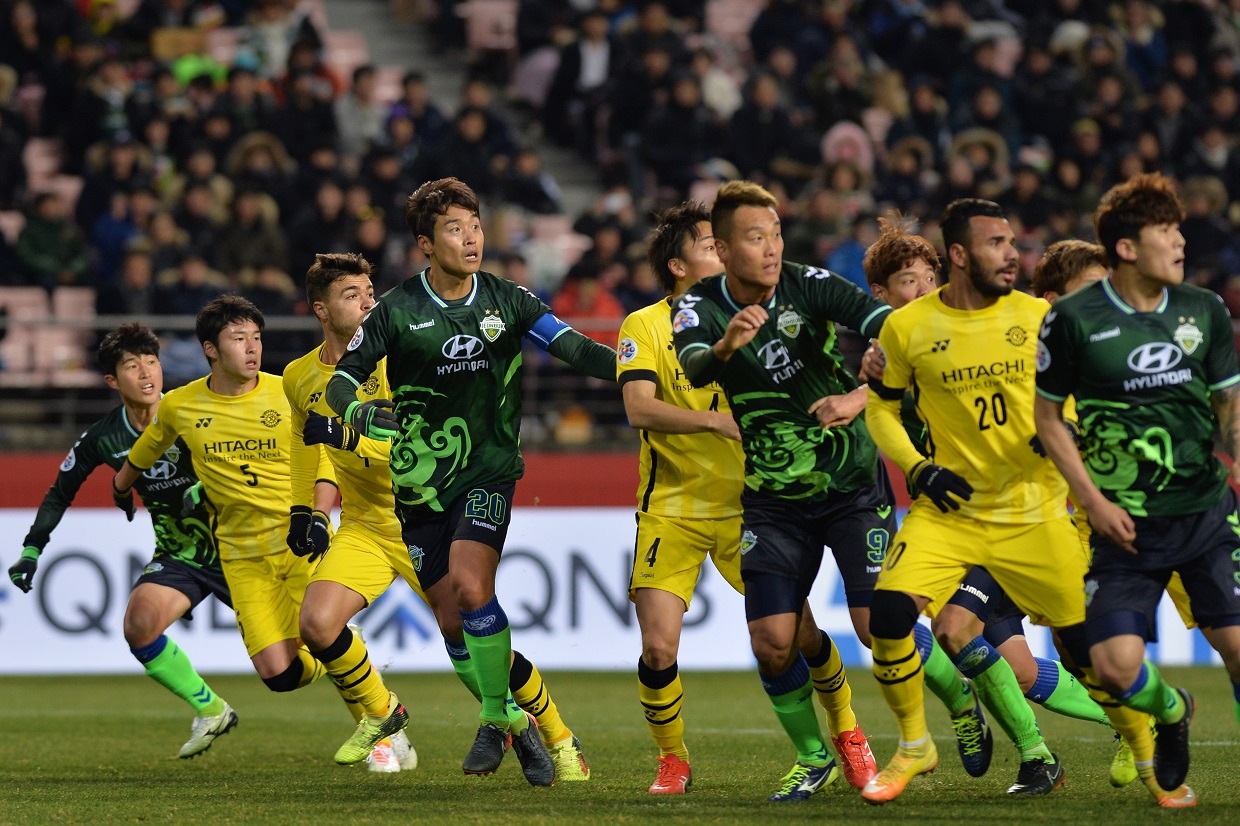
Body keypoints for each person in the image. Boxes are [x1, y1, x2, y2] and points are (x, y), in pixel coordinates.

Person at [326, 178, 615, 780]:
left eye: (475, 226)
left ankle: (493, 718)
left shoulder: (508, 299)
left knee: (469, 582)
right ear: (426, 245)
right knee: (454, 620)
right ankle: (522, 725)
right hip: (420, 484)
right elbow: (342, 378)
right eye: (455, 229)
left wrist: (639, 374)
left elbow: (574, 348)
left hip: (489, 468)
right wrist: (356, 409)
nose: (471, 238)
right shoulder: (397, 310)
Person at [620, 203, 876, 796]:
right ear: (679, 264)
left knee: (799, 636)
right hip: (673, 510)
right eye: (712, 245)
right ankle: (673, 759)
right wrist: (712, 424)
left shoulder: (767, 307)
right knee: (658, 648)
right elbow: (637, 408)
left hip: (751, 502)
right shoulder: (646, 325)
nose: (726, 252)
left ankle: (849, 737)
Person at [863, 222, 1126, 783]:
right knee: (1007, 663)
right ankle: (1020, 740)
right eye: (905, 281)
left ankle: (1104, 731)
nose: (919, 289)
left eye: (927, 277)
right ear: (881, 295)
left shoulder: (986, 328)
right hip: (952, 516)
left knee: (964, 633)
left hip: (1014, 513)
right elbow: (882, 404)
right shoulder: (898, 347)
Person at [111, 296, 402, 765]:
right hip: (241, 557)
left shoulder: (287, 391)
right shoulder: (182, 405)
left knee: (324, 634)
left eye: (257, 338)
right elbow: (148, 445)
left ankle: (383, 736)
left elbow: (326, 461)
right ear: (210, 349)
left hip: (297, 541)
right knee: (278, 675)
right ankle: (352, 651)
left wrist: (320, 516)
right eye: (238, 338)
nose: (252, 348)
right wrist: (121, 484)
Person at [1035, 173, 1240, 807]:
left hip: (1205, 513)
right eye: (1167, 231)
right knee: (1117, 668)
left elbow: (1228, 404)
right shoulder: (1071, 320)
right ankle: (1172, 708)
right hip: (1123, 526)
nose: (1181, 241)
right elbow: (1047, 418)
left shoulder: (1204, 309)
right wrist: (1093, 501)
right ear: (1127, 248)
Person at [8, 323, 235, 759]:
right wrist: (32, 549)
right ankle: (212, 710)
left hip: (240, 546)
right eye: (133, 365)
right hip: (180, 554)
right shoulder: (104, 437)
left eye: (152, 361)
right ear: (113, 380)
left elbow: (245, 462)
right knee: (139, 625)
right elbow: (60, 490)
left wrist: (204, 489)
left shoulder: (192, 411)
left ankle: (377, 713)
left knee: (291, 658)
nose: (147, 373)